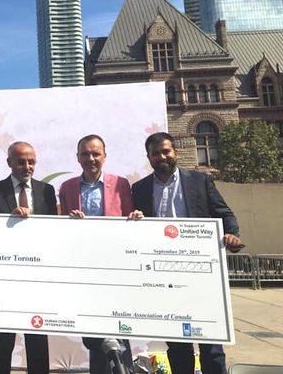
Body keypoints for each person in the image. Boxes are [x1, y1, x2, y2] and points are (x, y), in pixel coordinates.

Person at [130, 132, 243, 374]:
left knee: (211, 343)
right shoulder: (139, 189)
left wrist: (232, 235)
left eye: (166, 151)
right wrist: (135, 220)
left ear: (176, 152)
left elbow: (224, 214)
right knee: (177, 345)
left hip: (200, 275)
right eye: (155, 153)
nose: (162, 157)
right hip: (164, 277)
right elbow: (134, 230)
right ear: (148, 157)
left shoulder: (199, 181)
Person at [58, 134, 135, 374]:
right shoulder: (67, 187)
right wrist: (69, 222)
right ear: (78, 157)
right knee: (92, 330)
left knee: (118, 326)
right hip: (84, 268)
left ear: (105, 156)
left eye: (95, 154)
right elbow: (60, 227)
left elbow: (130, 219)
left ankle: (124, 369)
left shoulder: (121, 184)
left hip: (115, 266)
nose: (90, 159)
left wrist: (136, 219)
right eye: (85, 154)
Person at [0, 141, 56, 374]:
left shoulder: (46, 191)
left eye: (31, 162)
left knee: (37, 338)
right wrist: (7, 221)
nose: (27, 166)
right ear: (9, 162)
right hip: (5, 276)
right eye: (21, 162)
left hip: (37, 275)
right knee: (2, 341)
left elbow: (54, 230)